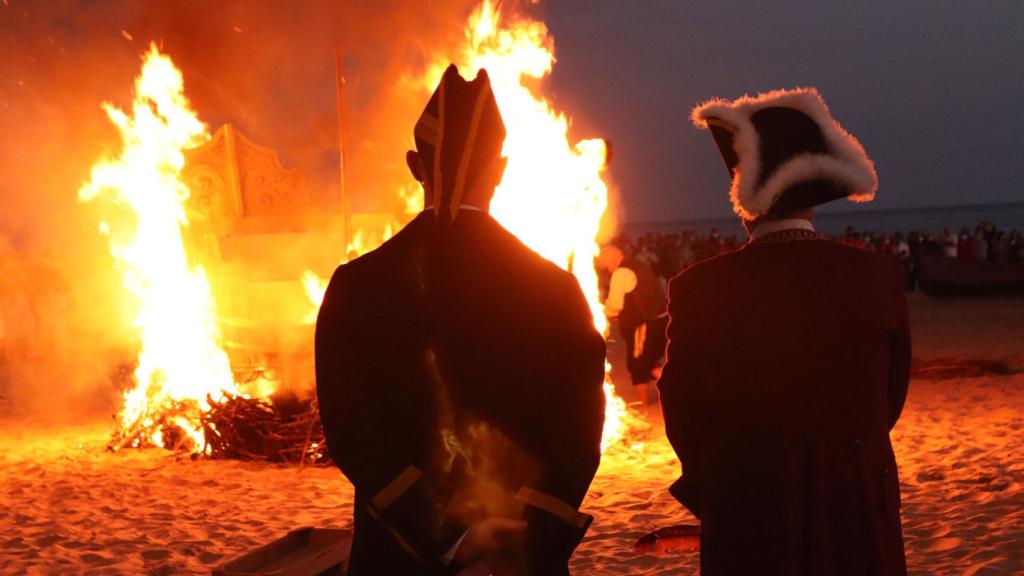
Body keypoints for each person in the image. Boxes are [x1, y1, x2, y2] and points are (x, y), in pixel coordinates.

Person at [315, 65, 606, 576]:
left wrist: (447, 536)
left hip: (400, 555)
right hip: (520, 560)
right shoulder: (556, 289)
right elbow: (579, 437)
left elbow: (353, 436)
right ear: (501, 169)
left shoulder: (356, 285)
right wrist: (526, 540)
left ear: (413, 165)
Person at [660, 87, 910, 575]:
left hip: (750, 499)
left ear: (742, 196)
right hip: (856, 493)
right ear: (814, 194)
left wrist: (718, 482)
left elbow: (682, 407)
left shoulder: (699, 287)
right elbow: (891, 394)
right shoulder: (877, 276)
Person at [596, 244, 667, 404]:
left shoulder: (621, 272)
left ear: (613, 259)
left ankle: (643, 404)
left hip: (642, 324)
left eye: (606, 265)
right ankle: (670, 395)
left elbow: (615, 304)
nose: (607, 270)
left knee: (638, 364)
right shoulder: (639, 265)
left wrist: (602, 312)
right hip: (660, 320)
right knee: (653, 364)